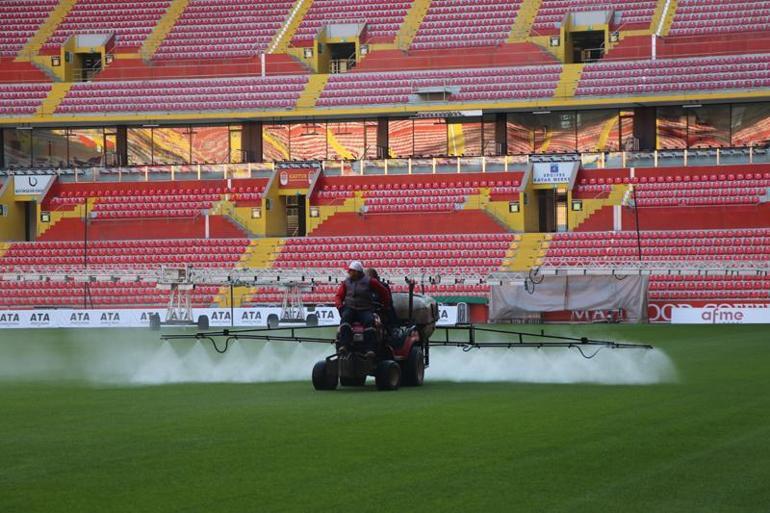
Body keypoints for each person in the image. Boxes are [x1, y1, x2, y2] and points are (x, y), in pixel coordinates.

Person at [335, 261, 392, 355]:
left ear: (357, 272)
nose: (349, 273)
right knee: (345, 320)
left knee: (369, 322)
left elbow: (384, 292)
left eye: (351, 271)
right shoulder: (346, 283)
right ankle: (344, 346)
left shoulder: (370, 281)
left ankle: (370, 349)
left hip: (365, 308)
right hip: (350, 308)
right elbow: (338, 296)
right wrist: (340, 305)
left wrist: (385, 306)